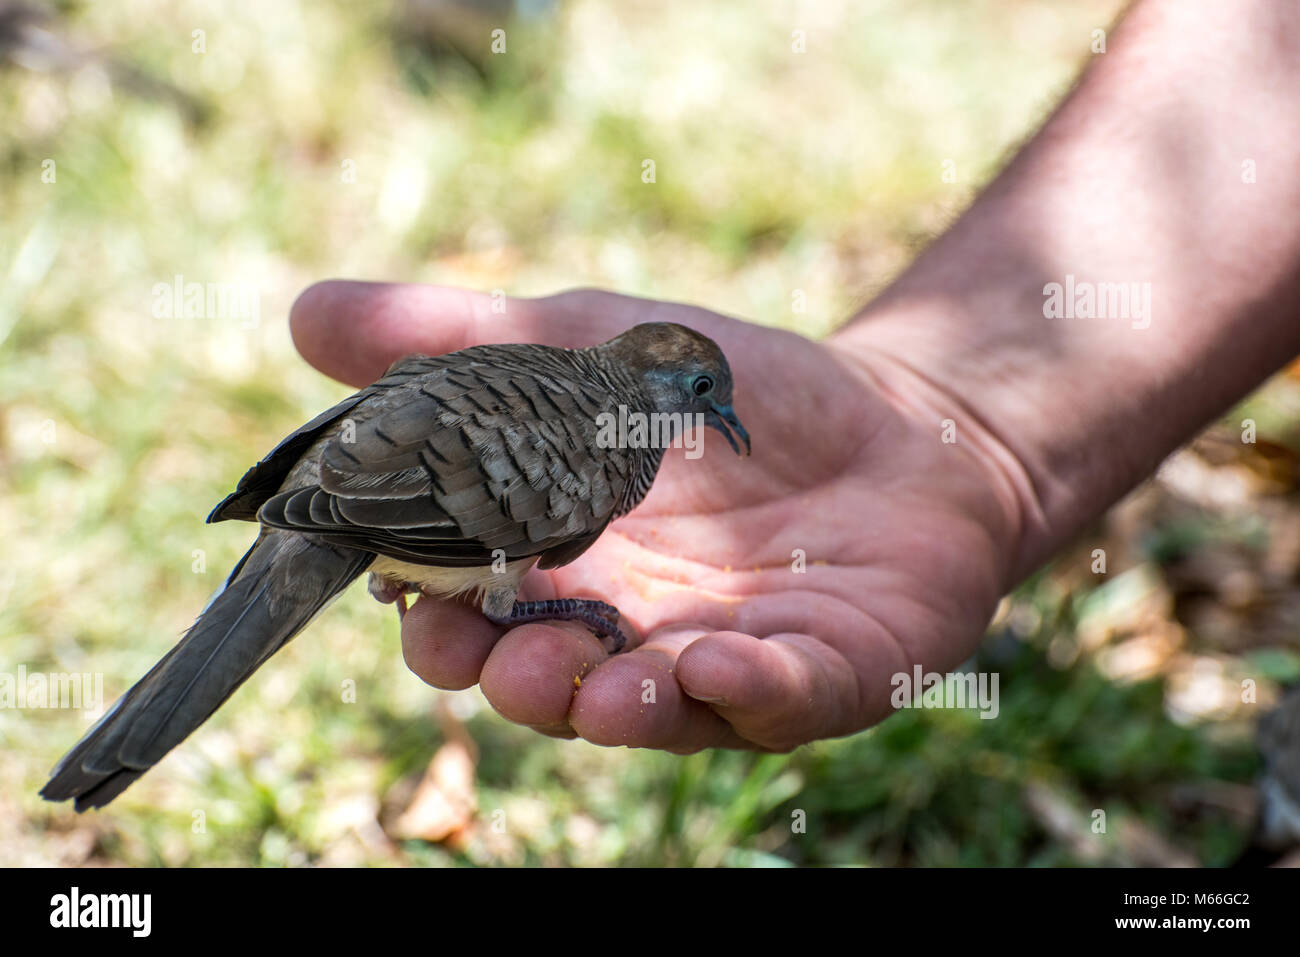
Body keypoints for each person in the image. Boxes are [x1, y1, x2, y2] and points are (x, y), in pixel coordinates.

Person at [287, 0, 1300, 753]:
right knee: (519, 604)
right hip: (358, 508)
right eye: (699, 403)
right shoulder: (597, 460)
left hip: (355, 489)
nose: (714, 422)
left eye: (711, 406)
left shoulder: (596, 432)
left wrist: (968, 429)